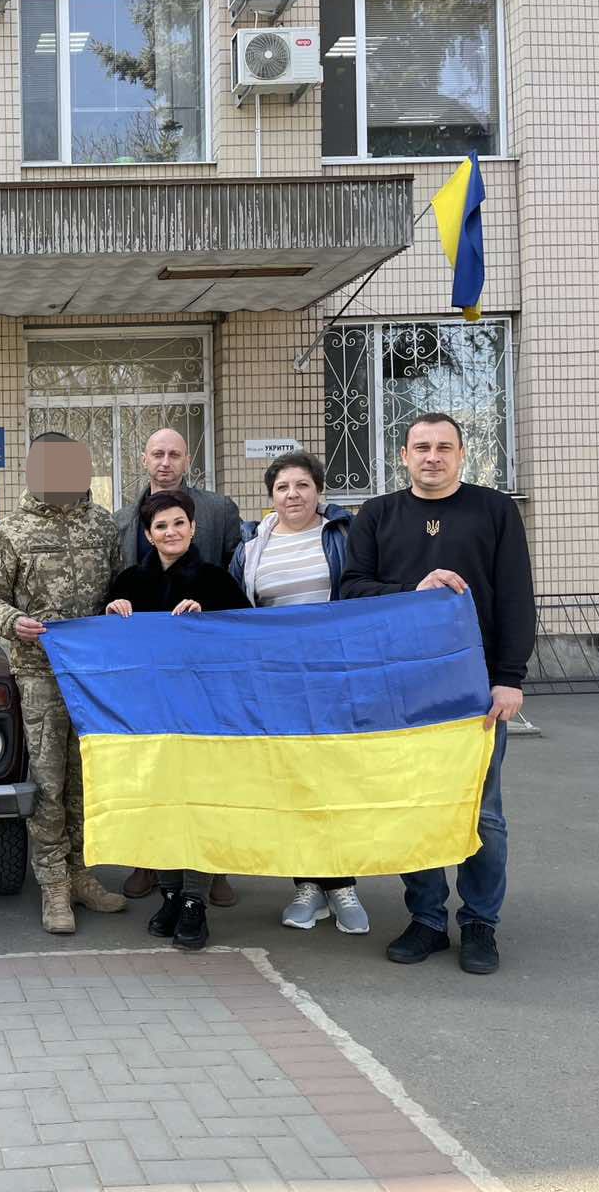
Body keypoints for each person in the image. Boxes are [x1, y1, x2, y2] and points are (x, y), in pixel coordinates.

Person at [340, 413, 535, 976]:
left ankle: (479, 922)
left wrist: (511, 677)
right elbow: (351, 590)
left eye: (443, 447)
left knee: (483, 811)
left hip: (475, 688)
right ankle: (426, 917)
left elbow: (517, 596)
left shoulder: (495, 510)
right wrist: (412, 591)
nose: (432, 456)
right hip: (400, 686)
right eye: (421, 447)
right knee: (414, 804)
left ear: (461, 454)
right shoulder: (378, 514)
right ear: (403, 455)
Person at [0, 433, 127, 935]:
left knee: (87, 779)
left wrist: (119, 609)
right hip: (39, 674)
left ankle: (83, 872)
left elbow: (122, 588)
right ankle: (54, 884)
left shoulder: (103, 526)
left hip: (94, 675)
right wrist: (12, 621)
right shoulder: (13, 530)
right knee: (48, 783)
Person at [228, 451, 368, 935]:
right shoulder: (251, 548)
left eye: (303, 485)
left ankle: (343, 886)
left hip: (334, 677)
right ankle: (307, 887)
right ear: (271, 496)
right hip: (278, 683)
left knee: (335, 780)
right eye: (283, 487)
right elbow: (232, 614)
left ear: (319, 491)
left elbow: (366, 597)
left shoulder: (343, 537)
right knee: (292, 781)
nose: (293, 495)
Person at [104, 488, 250, 950]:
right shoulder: (128, 581)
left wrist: (209, 617)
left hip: (204, 715)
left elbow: (248, 635)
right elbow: (102, 646)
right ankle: (169, 894)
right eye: (161, 526)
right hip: (148, 716)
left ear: (193, 528)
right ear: (148, 534)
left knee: (198, 804)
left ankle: (194, 901)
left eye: (179, 524)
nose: (171, 532)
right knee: (162, 803)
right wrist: (111, 614)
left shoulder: (215, 579)